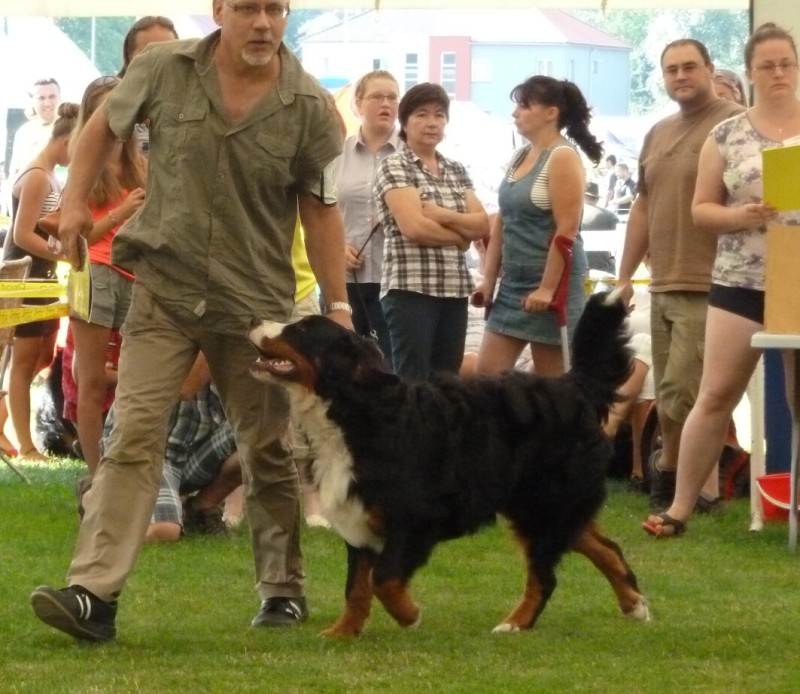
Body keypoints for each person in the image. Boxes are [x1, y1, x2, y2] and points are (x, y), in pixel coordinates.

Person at [30, 0, 350, 642]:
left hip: (255, 304)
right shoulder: (163, 68)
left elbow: (321, 211)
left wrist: (339, 307)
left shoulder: (312, 107)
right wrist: (69, 207)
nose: (262, 23)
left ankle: (282, 589)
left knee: (266, 447)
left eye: (274, 10)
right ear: (218, 11)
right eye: (247, 9)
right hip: (166, 289)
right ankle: (93, 596)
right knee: (133, 433)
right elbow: (98, 129)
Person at [643, 23, 800, 538]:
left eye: (786, 64)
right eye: (767, 65)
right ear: (750, 73)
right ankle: (681, 506)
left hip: (796, 277)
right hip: (740, 278)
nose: (778, 73)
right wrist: (743, 215)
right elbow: (702, 210)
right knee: (714, 395)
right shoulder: (727, 134)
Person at [616, 38, 745, 514]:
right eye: (671, 69)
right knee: (668, 390)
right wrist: (626, 274)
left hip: (716, 279)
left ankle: (686, 485)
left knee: (686, 391)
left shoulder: (734, 124)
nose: (680, 76)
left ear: (711, 69)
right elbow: (643, 206)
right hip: (663, 278)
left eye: (690, 67)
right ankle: (676, 478)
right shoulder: (657, 132)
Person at [474, 76, 601, 378]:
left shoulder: (563, 157)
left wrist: (547, 289)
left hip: (555, 283)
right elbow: (502, 222)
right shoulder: (520, 156)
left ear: (551, 113)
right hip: (513, 284)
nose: (515, 113)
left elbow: (566, 230)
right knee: (486, 380)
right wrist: (489, 280)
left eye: (524, 105)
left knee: (556, 389)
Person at [374, 82, 489, 379]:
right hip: (410, 289)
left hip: (453, 289)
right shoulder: (394, 165)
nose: (431, 123)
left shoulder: (456, 169)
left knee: (447, 382)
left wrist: (441, 214)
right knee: (413, 382)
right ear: (405, 122)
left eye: (439, 115)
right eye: (422, 115)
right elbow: (414, 228)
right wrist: (460, 238)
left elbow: (482, 223)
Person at [69, 76, 146, 477]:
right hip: (95, 272)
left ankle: (125, 466)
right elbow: (79, 240)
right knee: (92, 380)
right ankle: (97, 473)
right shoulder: (85, 165)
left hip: (133, 275)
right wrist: (122, 212)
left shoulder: (139, 161)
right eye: (105, 108)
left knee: (136, 379)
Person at [2, 102, 79, 461]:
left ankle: (3, 418)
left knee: (44, 356)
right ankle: (27, 446)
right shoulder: (35, 174)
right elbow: (21, 234)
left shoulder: (50, 173)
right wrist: (64, 254)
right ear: (64, 139)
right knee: (23, 362)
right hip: (26, 278)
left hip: (44, 279)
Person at [97, 353, 242, 542]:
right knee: (165, 532)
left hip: (194, 451)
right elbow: (186, 388)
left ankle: (201, 507)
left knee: (266, 435)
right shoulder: (170, 334)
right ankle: (98, 497)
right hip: (151, 452)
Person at [335, 69, 401, 362]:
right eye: (377, 97)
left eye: (392, 97)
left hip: (399, 278)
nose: (386, 104)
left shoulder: (412, 153)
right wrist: (337, 248)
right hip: (348, 278)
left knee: (394, 365)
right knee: (349, 365)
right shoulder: (336, 154)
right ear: (358, 105)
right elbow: (319, 211)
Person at [117, 16, 179, 155]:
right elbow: (144, 154)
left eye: (167, 55)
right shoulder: (113, 103)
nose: (159, 64)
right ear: (129, 59)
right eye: (149, 56)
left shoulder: (192, 103)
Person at [8, 79, 61, 187]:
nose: (47, 103)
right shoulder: (23, 133)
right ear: (32, 101)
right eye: (41, 98)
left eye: (52, 96)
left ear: (60, 98)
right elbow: (14, 174)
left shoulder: (70, 128)